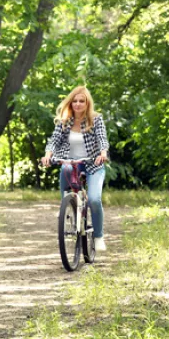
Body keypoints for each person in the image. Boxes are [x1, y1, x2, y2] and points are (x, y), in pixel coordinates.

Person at [41, 86, 109, 251]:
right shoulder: (64, 121)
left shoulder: (96, 119)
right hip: (71, 162)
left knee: (93, 199)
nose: (78, 104)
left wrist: (103, 153)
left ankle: (98, 236)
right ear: (70, 103)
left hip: (93, 163)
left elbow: (102, 138)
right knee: (65, 170)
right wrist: (48, 155)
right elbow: (54, 140)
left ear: (87, 103)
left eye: (82, 101)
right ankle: (67, 206)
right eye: (75, 101)